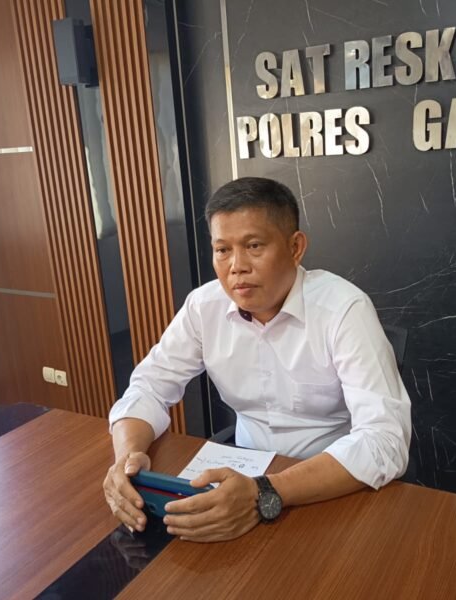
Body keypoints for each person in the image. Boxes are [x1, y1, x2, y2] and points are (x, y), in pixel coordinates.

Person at [103, 177, 411, 542]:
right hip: (243, 470)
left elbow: (384, 440)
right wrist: (127, 458)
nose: (237, 267)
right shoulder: (204, 307)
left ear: (295, 247)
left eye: (253, 246)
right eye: (222, 250)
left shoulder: (344, 310)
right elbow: (148, 387)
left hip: (331, 484)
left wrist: (265, 491)